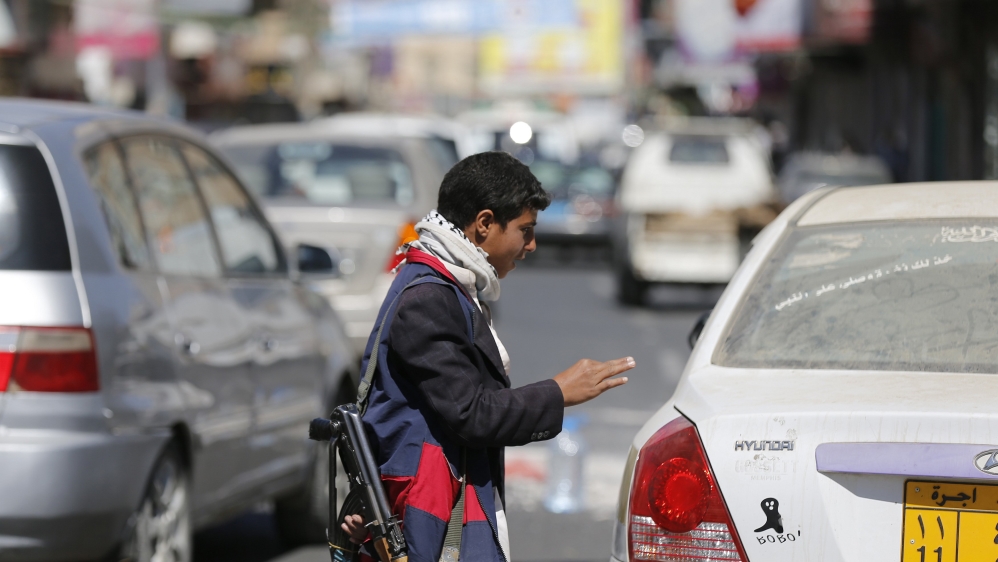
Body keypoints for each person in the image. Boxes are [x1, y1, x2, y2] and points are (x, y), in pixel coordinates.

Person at [343, 151, 634, 561]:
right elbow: (472, 414)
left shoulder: (448, 282)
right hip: (427, 513)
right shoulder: (429, 297)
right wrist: (558, 392)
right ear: (483, 224)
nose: (531, 245)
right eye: (525, 231)